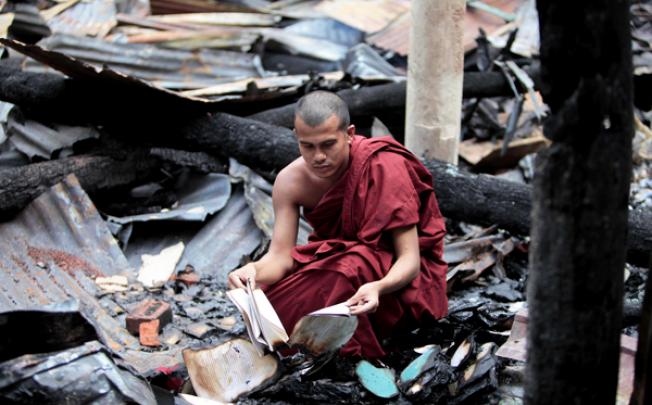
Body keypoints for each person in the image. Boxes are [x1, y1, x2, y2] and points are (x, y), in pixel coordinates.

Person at [228, 91, 447, 358]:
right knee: (271, 303)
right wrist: (253, 270)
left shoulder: (383, 166)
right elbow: (281, 257)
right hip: (339, 265)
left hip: (395, 284)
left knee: (348, 268)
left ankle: (348, 352)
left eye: (328, 144)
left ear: (350, 133)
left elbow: (410, 260)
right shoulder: (290, 182)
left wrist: (379, 287)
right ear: (296, 137)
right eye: (307, 146)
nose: (318, 156)